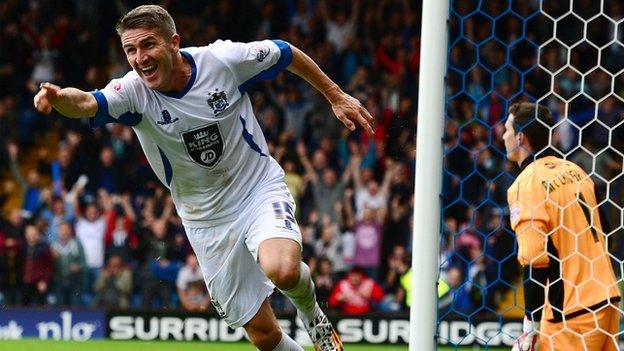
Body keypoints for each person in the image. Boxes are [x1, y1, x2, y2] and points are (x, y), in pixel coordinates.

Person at [33, 5, 373, 351]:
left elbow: (284, 52)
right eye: (130, 50)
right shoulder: (132, 92)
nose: (139, 57)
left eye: (148, 45)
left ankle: (313, 317)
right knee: (263, 334)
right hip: (204, 219)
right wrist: (59, 98)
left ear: (173, 43)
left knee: (282, 268)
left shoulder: (222, 61)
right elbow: (87, 102)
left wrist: (335, 94)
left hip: (255, 188)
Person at [503, 102, 620, 351]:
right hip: (607, 297)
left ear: (521, 136)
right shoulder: (575, 171)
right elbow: (607, 231)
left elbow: (535, 261)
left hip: (570, 312)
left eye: (507, 130)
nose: (503, 136)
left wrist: (529, 331)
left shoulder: (526, 185)